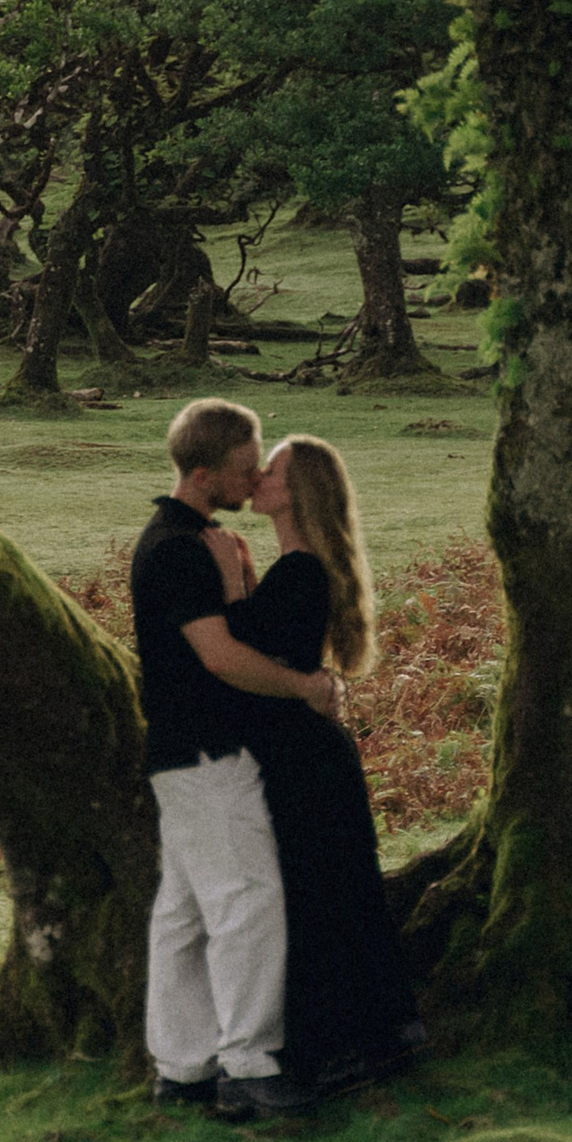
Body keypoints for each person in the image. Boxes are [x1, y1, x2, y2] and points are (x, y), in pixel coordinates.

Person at [131, 398, 339, 1123]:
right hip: (208, 751)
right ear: (202, 472)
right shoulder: (180, 551)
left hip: (181, 753)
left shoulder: (186, 542)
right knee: (246, 904)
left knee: (183, 915)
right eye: (245, 469)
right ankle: (249, 1065)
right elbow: (221, 658)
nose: (254, 482)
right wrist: (305, 686)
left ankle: (183, 1067)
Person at [209, 435, 425, 1095]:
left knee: (314, 897)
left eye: (269, 472)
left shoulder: (301, 572)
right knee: (327, 894)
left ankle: (337, 1048)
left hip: (302, 759)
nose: (256, 478)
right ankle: (366, 1039)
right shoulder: (296, 569)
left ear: (296, 492)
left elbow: (248, 656)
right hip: (303, 752)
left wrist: (225, 582)